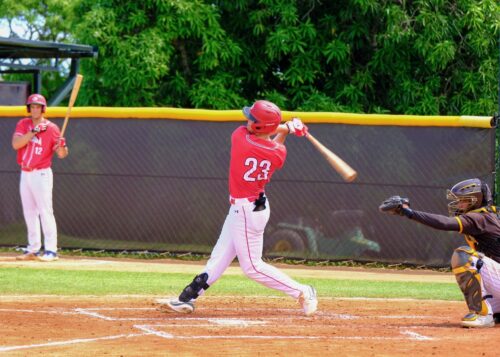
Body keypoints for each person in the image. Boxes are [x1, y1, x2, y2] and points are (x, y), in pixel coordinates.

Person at [156, 100, 318, 316]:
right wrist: (288, 129)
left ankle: (303, 291)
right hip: (252, 207)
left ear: (259, 126)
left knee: (252, 267)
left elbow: (264, 134)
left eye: (252, 118)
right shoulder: (279, 153)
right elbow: (272, 141)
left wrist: (287, 127)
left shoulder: (240, 138)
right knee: (219, 256)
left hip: (246, 210)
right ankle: (187, 298)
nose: (247, 119)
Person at [379, 178, 500, 328]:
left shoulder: (479, 218)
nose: (459, 204)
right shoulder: (487, 216)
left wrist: (407, 212)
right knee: (478, 262)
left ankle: (482, 315)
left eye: (463, 200)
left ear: (475, 200)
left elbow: (444, 223)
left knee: (463, 255)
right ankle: (494, 312)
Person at [12, 94, 69, 262]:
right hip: (25, 172)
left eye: (38, 106)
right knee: (29, 212)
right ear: (29, 108)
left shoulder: (52, 128)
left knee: (45, 211)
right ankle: (33, 248)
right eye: (32, 106)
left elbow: (61, 155)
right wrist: (33, 132)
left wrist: (62, 146)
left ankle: (51, 250)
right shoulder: (24, 124)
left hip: (41, 173)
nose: (35, 109)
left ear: (43, 109)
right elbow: (16, 144)